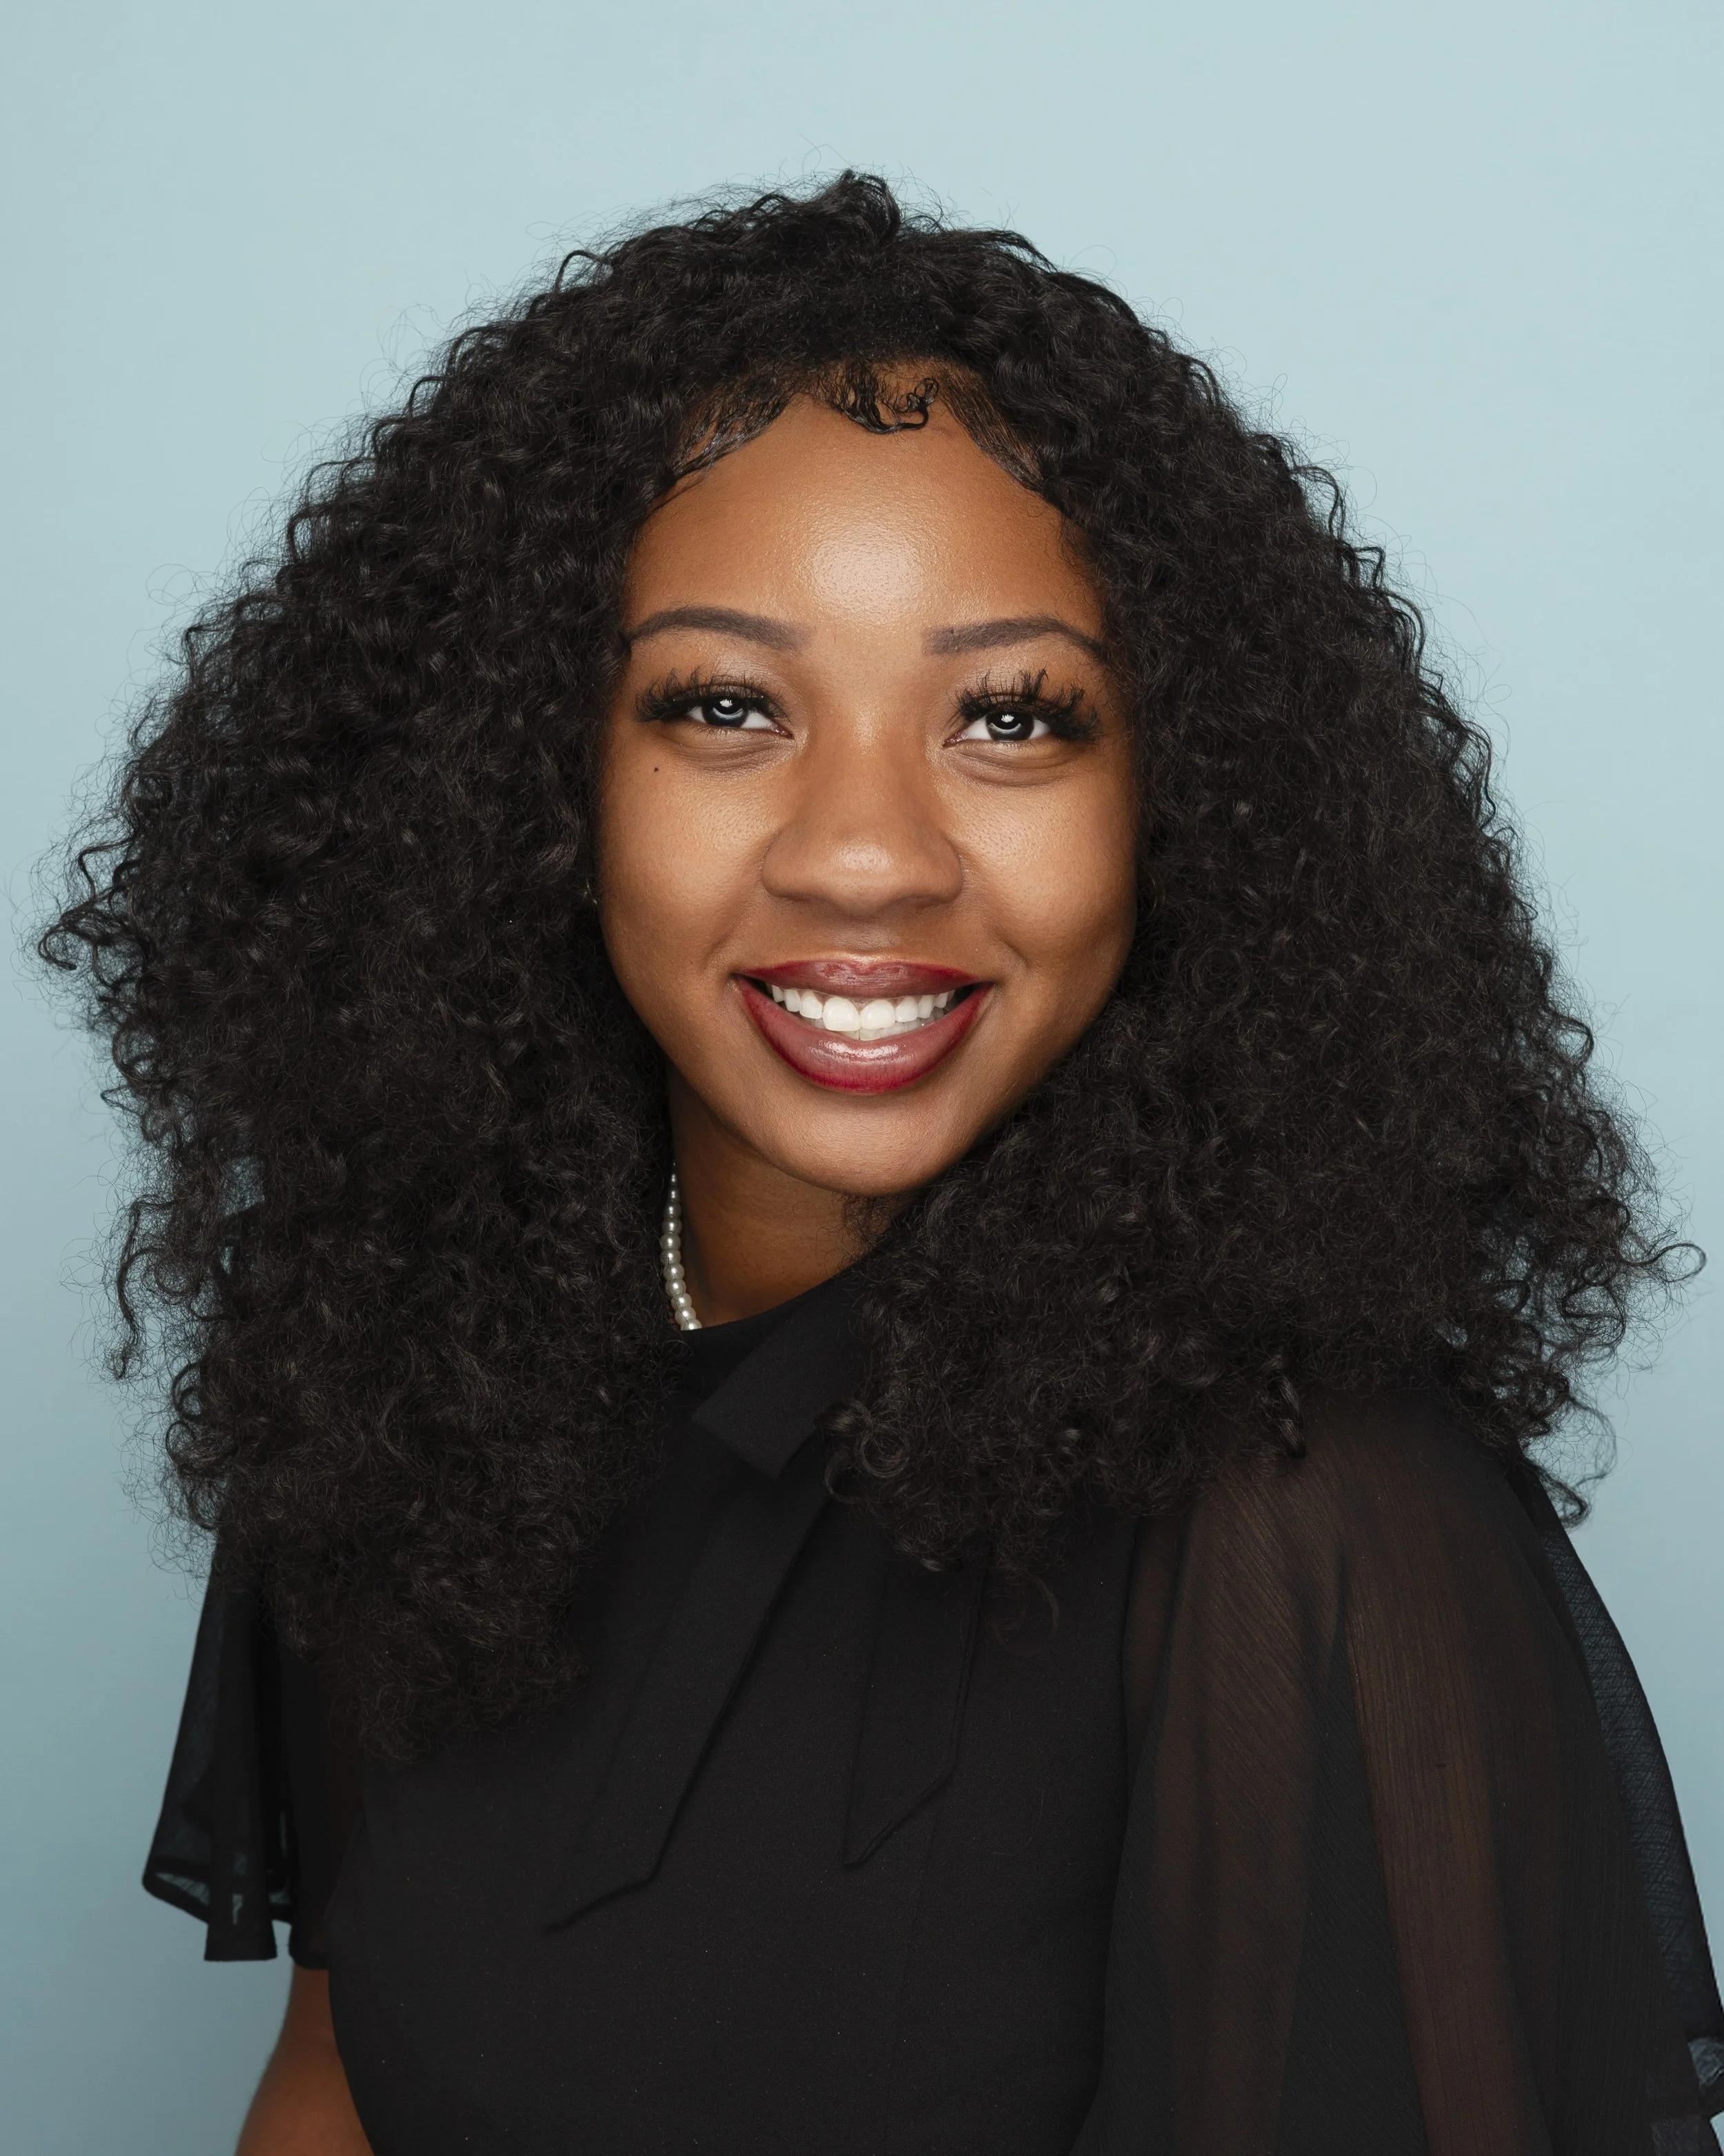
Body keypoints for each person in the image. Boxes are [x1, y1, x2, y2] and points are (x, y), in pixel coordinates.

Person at [41, 174, 1722, 2155]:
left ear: (1174, 805)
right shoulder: (408, 1371)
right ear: (527, 787)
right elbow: (340, 2075)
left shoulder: (1303, 1527)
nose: (866, 851)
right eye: (724, 704)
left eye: (1009, 715)